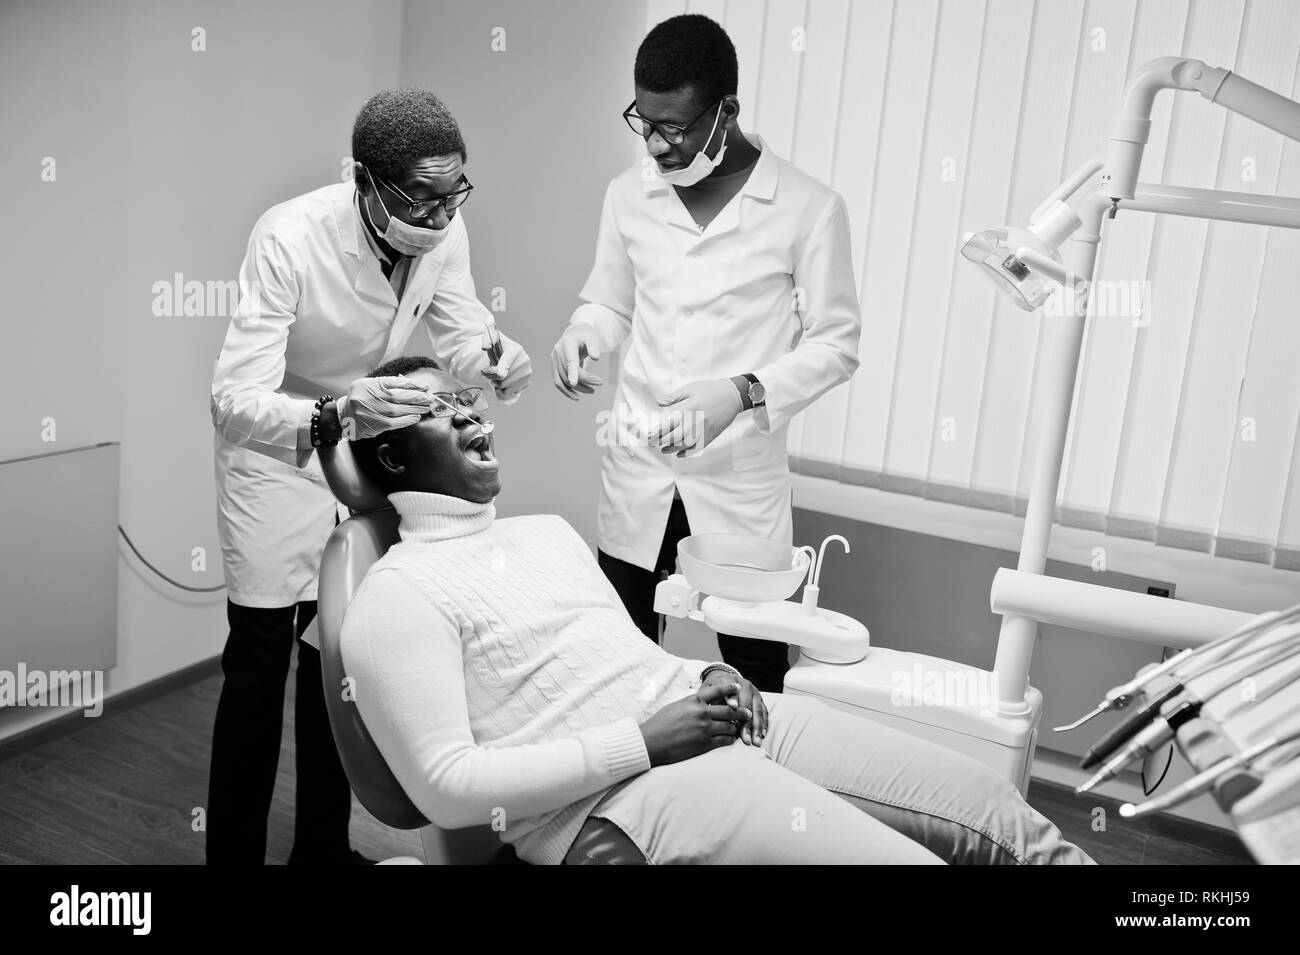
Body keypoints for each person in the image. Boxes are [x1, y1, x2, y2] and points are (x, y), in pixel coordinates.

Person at [338, 357, 1093, 865]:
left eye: (469, 399)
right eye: (444, 411)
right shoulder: (395, 596)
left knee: (996, 814)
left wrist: (706, 670)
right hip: (626, 791)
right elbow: (446, 787)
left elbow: (625, 656)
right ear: (395, 459)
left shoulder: (545, 533)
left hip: (712, 715)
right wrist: (643, 741)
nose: (477, 418)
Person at [207, 89, 532, 865]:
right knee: (258, 667)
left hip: (362, 452)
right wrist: (338, 409)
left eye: (453, 194)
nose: (438, 216)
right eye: (419, 197)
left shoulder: (443, 230)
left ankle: (321, 848)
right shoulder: (290, 235)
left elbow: (459, 333)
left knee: (338, 659)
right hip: (278, 455)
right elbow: (231, 397)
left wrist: (497, 355)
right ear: (362, 178)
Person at [551, 14, 861, 693]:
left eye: (678, 127)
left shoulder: (809, 208)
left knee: (756, 674)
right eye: (646, 122)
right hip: (640, 468)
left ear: (727, 111)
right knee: (623, 666)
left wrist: (743, 392)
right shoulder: (629, 194)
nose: (658, 145)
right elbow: (610, 303)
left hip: (737, 480)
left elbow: (838, 345)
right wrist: (583, 334)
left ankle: (753, 797)